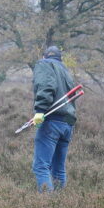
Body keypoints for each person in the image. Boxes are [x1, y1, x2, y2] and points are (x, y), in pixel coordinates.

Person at [31, 46, 77, 192]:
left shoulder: (44, 64)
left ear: (44, 56)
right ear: (60, 58)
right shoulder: (65, 70)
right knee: (58, 169)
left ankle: (47, 206)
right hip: (68, 124)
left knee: (41, 166)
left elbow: (46, 86)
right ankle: (60, 205)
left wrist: (39, 111)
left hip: (52, 121)